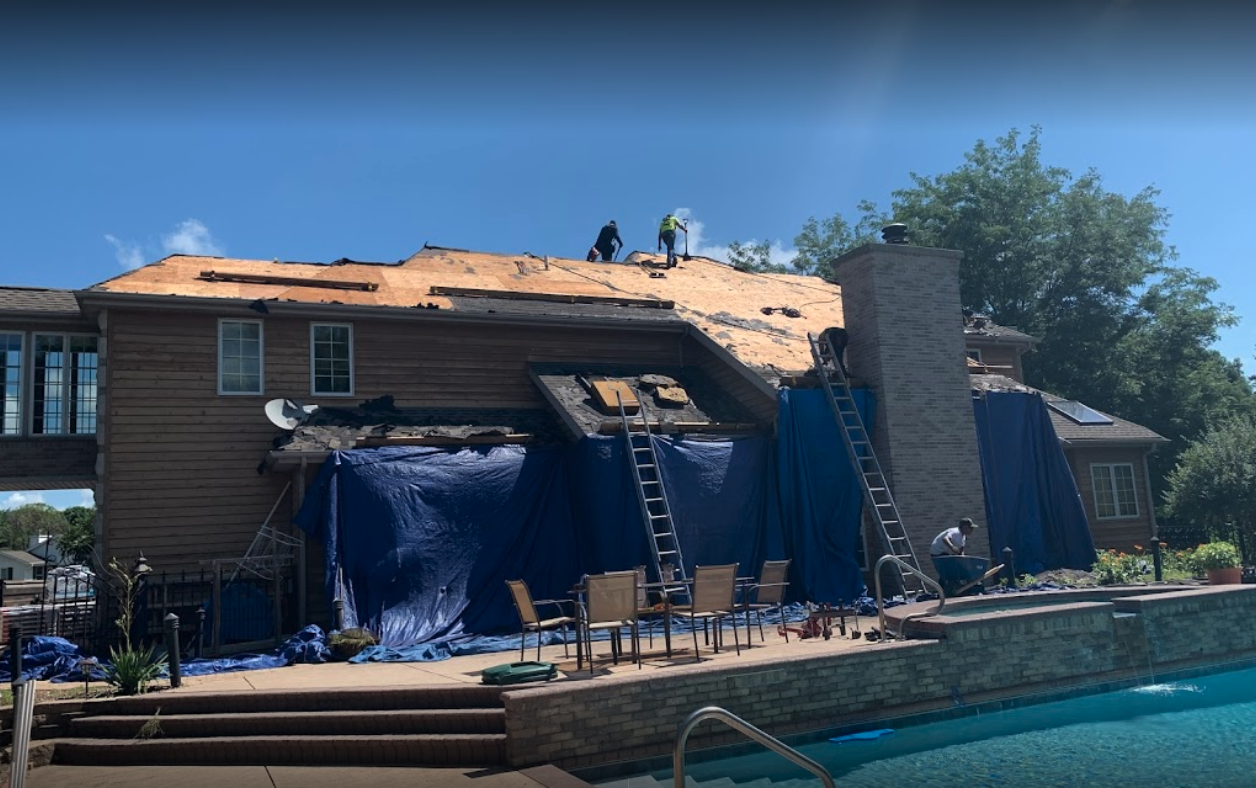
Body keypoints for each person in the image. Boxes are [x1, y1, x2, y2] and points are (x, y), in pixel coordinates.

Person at [930, 517, 978, 594]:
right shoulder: (956, 532)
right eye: (970, 528)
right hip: (937, 552)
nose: (972, 530)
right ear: (965, 527)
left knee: (950, 570)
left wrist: (963, 559)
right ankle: (944, 590)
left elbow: (961, 549)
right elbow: (945, 539)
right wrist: (952, 547)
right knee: (949, 571)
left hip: (945, 552)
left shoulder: (963, 536)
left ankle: (947, 588)